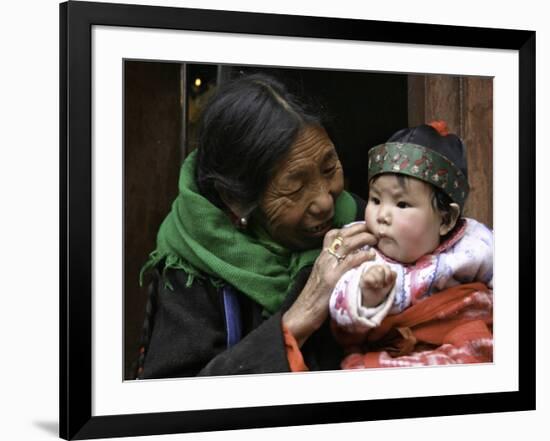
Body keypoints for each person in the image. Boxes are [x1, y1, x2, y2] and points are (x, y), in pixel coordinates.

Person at [135, 73, 377, 379]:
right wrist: (297, 319)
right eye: (295, 187)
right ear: (236, 200)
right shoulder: (191, 270)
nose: (325, 202)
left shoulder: (364, 222)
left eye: (329, 169)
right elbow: (172, 406)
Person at [328, 122, 494, 367]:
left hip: (461, 345)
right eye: (375, 199)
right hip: (388, 357)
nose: (381, 214)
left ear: (446, 219)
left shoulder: (474, 243)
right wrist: (367, 295)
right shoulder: (361, 249)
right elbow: (340, 314)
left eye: (402, 204)